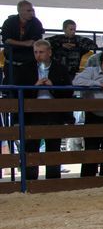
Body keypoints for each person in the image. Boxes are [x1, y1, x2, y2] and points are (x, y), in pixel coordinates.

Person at [18, 40, 72, 180]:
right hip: (32, 113)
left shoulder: (60, 68)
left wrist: (53, 87)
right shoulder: (25, 68)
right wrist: (34, 87)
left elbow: (68, 92)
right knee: (31, 147)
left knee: (53, 147)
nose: (38, 55)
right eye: (35, 52)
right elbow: (18, 92)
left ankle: (53, 181)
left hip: (54, 113)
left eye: (41, 52)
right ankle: (30, 181)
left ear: (49, 52)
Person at [1, 0, 44, 81]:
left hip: (29, 63)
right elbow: (6, 40)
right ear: (20, 11)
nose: (31, 12)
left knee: (29, 90)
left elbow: (34, 42)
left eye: (32, 10)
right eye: (28, 10)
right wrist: (25, 44)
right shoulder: (9, 22)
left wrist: (15, 43)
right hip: (11, 63)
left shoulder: (36, 23)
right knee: (11, 89)